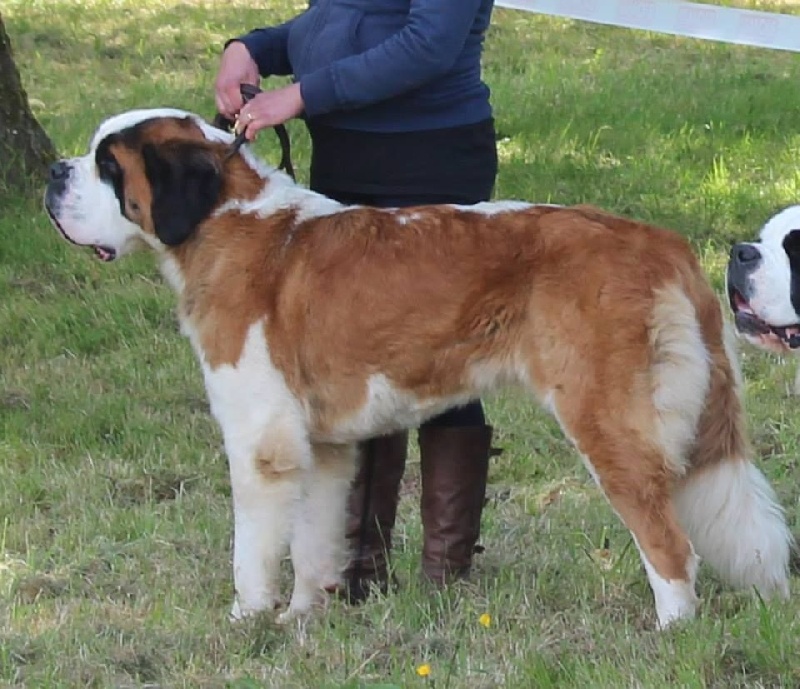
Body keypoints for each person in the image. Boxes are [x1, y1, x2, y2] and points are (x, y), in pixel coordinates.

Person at [214, 0, 498, 601]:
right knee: (355, 355)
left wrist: (299, 96)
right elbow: (339, 17)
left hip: (429, 156)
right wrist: (254, 48)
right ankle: (357, 567)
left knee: (441, 354)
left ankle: (446, 575)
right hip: (346, 155)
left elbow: (428, 43)